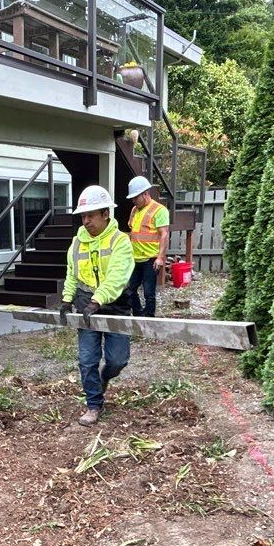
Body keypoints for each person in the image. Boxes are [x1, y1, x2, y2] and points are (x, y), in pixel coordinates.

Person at [58, 184, 134, 426]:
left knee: (117, 360)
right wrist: (67, 299)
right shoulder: (77, 243)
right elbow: (72, 274)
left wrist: (98, 300)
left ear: (105, 214)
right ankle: (93, 404)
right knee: (87, 359)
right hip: (85, 302)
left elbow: (117, 277)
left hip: (115, 304)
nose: (86, 220)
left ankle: (105, 377)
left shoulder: (120, 241)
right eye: (83, 216)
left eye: (91, 215)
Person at [125, 175, 170, 318]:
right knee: (130, 289)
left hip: (151, 259)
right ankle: (138, 315)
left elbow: (164, 234)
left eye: (135, 197)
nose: (133, 201)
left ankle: (149, 317)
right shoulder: (134, 210)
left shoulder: (159, 210)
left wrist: (160, 258)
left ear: (145, 194)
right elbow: (133, 232)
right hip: (135, 258)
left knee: (149, 292)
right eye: (132, 198)